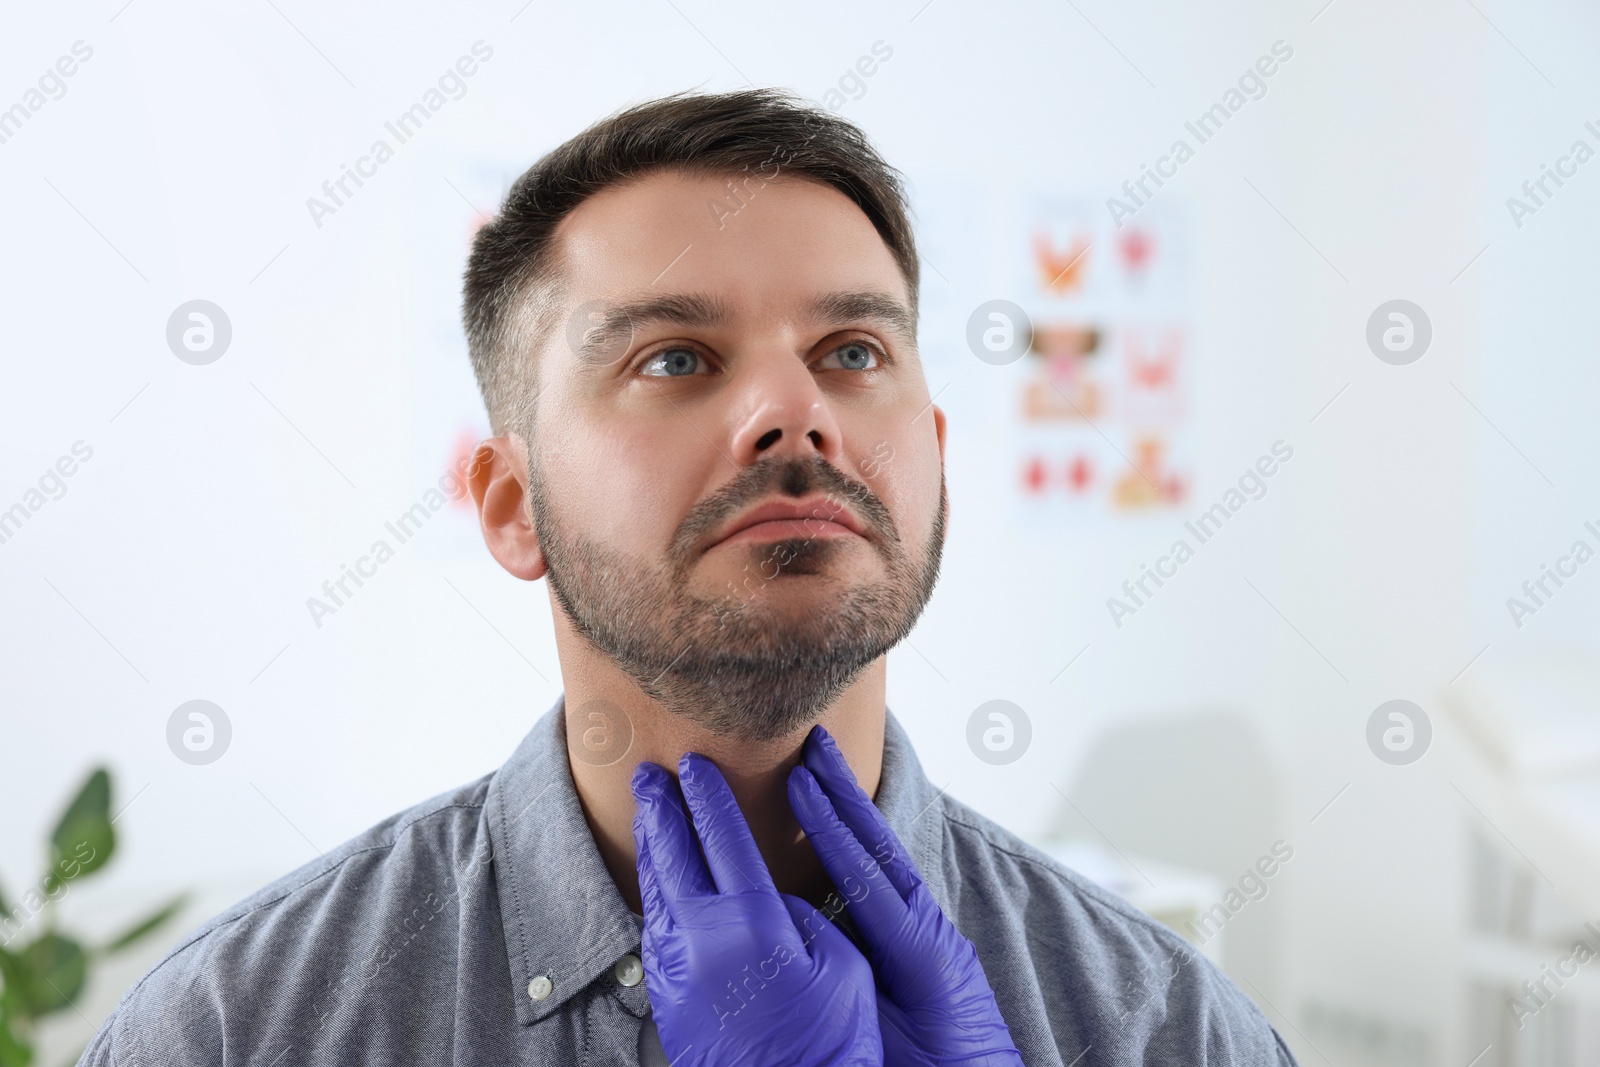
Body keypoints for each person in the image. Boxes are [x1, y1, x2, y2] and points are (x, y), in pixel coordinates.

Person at [77, 88, 1297, 1066]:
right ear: (513, 507)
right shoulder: (235, 1029)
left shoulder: (1169, 1029)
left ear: (932, 464)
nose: (793, 409)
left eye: (852, 350)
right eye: (676, 357)